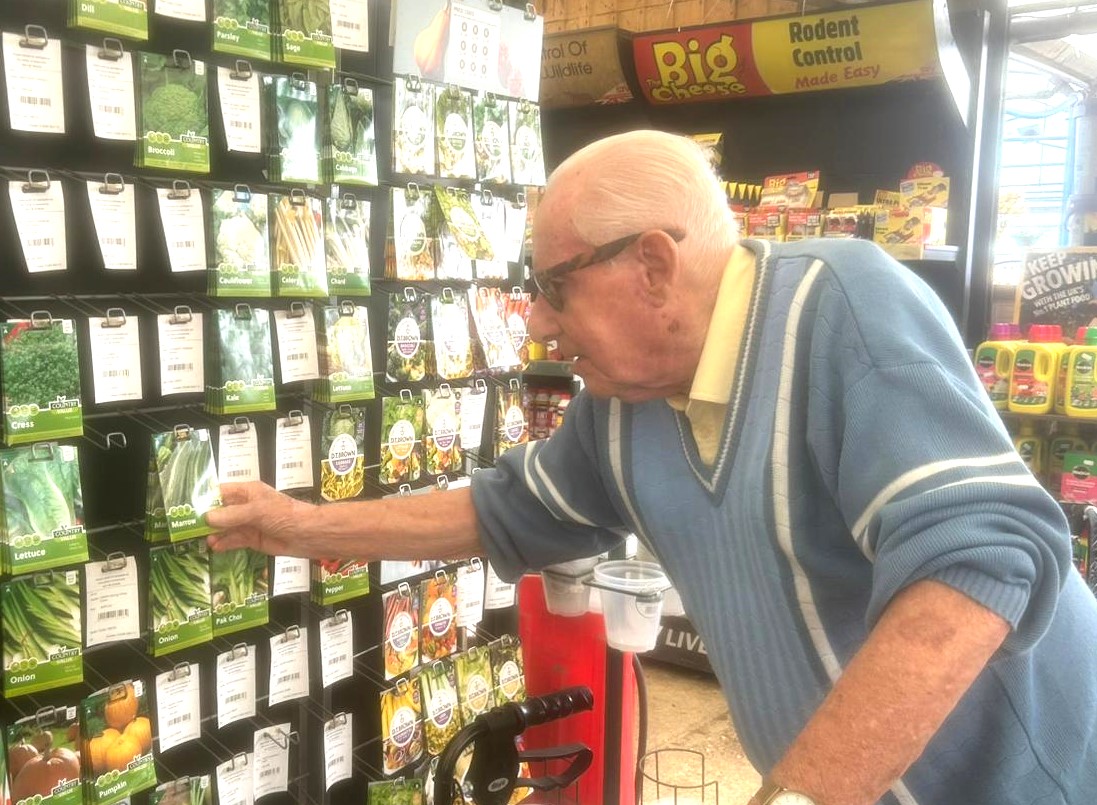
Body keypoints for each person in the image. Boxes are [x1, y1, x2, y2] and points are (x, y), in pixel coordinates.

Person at [207, 130, 1097, 805]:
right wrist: (296, 525)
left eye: (554, 287)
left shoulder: (841, 305)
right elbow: (499, 510)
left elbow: (977, 561)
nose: (538, 323)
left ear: (652, 266)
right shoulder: (624, 405)